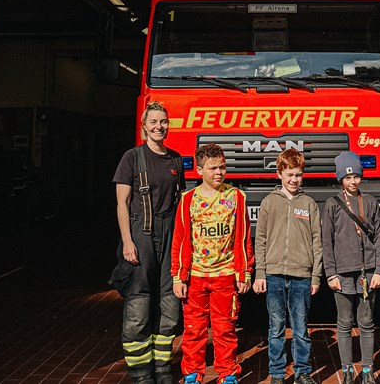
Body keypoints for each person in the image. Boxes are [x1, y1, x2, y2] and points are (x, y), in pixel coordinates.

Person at [109, 101, 186, 384]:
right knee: (140, 304)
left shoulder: (176, 160)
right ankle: (141, 373)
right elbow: (122, 203)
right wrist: (128, 241)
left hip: (170, 235)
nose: (159, 126)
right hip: (140, 233)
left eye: (163, 121)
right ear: (144, 126)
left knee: (169, 303)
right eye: (153, 121)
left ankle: (163, 368)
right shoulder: (132, 157)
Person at [171, 143, 254, 384]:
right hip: (195, 276)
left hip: (225, 276)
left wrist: (245, 272)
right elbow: (179, 239)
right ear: (199, 170)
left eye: (222, 167)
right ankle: (192, 374)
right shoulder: (188, 200)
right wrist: (178, 276)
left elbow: (243, 237)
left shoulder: (236, 197)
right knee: (193, 330)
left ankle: (227, 373)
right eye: (213, 168)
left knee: (224, 329)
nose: (219, 172)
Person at [253, 149, 322, 384]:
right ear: (279, 173)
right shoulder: (268, 202)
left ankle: (302, 372)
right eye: (290, 174)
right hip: (273, 275)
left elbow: (317, 241)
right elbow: (260, 239)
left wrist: (315, 276)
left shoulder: (309, 204)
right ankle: (278, 374)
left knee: (301, 329)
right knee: (276, 329)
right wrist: (260, 273)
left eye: (299, 175)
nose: (294, 179)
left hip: (302, 277)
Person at [322, 151, 380, 384]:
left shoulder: (370, 202)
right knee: (345, 323)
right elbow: (326, 241)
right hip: (342, 273)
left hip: (367, 273)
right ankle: (347, 369)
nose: (353, 181)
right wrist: (331, 273)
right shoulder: (332, 204)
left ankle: (367, 370)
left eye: (356, 176)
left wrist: (379, 270)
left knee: (367, 323)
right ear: (340, 179)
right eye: (348, 178)